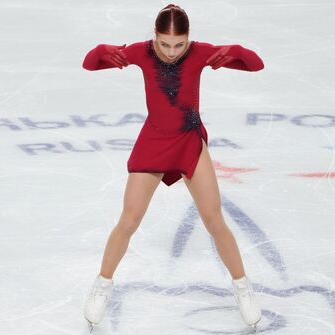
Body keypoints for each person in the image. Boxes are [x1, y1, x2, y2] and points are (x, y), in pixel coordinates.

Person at [81, 3, 265, 331]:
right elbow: (90, 64)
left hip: (188, 143)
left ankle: (242, 287)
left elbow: (255, 65)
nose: (171, 52)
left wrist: (236, 49)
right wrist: (101, 49)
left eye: (179, 44)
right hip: (153, 141)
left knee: (214, 219)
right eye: (164, 44)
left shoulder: (198, 54)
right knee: (128, 220)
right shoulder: (139, 52)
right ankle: (102, 284)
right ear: (154, 37)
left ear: (188, 39)